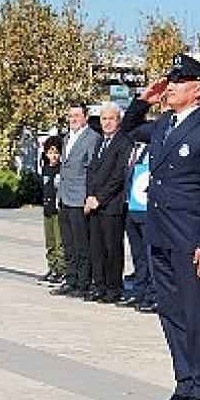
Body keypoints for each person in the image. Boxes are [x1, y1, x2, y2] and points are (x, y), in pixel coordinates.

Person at [122, 53, 200, 400]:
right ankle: (184, 382)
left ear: (197, 89)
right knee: (170, 311)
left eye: (177, 82)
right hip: (161, 234)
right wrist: (142, 101)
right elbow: (126, 130)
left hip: (190, 238)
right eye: (169, 81)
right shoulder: (165, 123)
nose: (170, 87)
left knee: (196, 311)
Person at [52, 102, 101, 298]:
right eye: (70, 115)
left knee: (82, 243)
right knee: (68, 243)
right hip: (64, 196)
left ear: (85, 117)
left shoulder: (92, 138)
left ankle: (83, 282)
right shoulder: (66, 138)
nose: (73, 119)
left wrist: (89, 196)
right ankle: (70, 279)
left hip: (79, 198)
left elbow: (92, 170)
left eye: (77, 116)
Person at [85, 103, 132, 304]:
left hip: (111, 205)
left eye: (111, 119)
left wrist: (100, 198)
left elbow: (118, 175)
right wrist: (89, 196)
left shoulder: (123, 142)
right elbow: (92, 171)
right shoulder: (99, 142)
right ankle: (99, 285)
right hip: (94, 204)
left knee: (112, 249)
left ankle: (113, 288)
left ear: (118, 121)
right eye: (104, 119)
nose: (107, 123)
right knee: (96, 248)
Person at [122, 135, 156, 312]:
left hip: (146, 209)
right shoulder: (130, 149)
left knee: (150, 255)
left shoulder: (153, 148)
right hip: (130, 207)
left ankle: (152, 294)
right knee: (138, 254)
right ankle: (139, 291)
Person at [40, 136, 65, 285]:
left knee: (59, 241)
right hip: (47, 209)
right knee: (49, 241)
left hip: (58, 210)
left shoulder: (62, 169)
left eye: (56, 152)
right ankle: (52, 266)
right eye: (50, 152)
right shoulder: (45, 169)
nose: (53, 156)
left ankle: (61, 269)